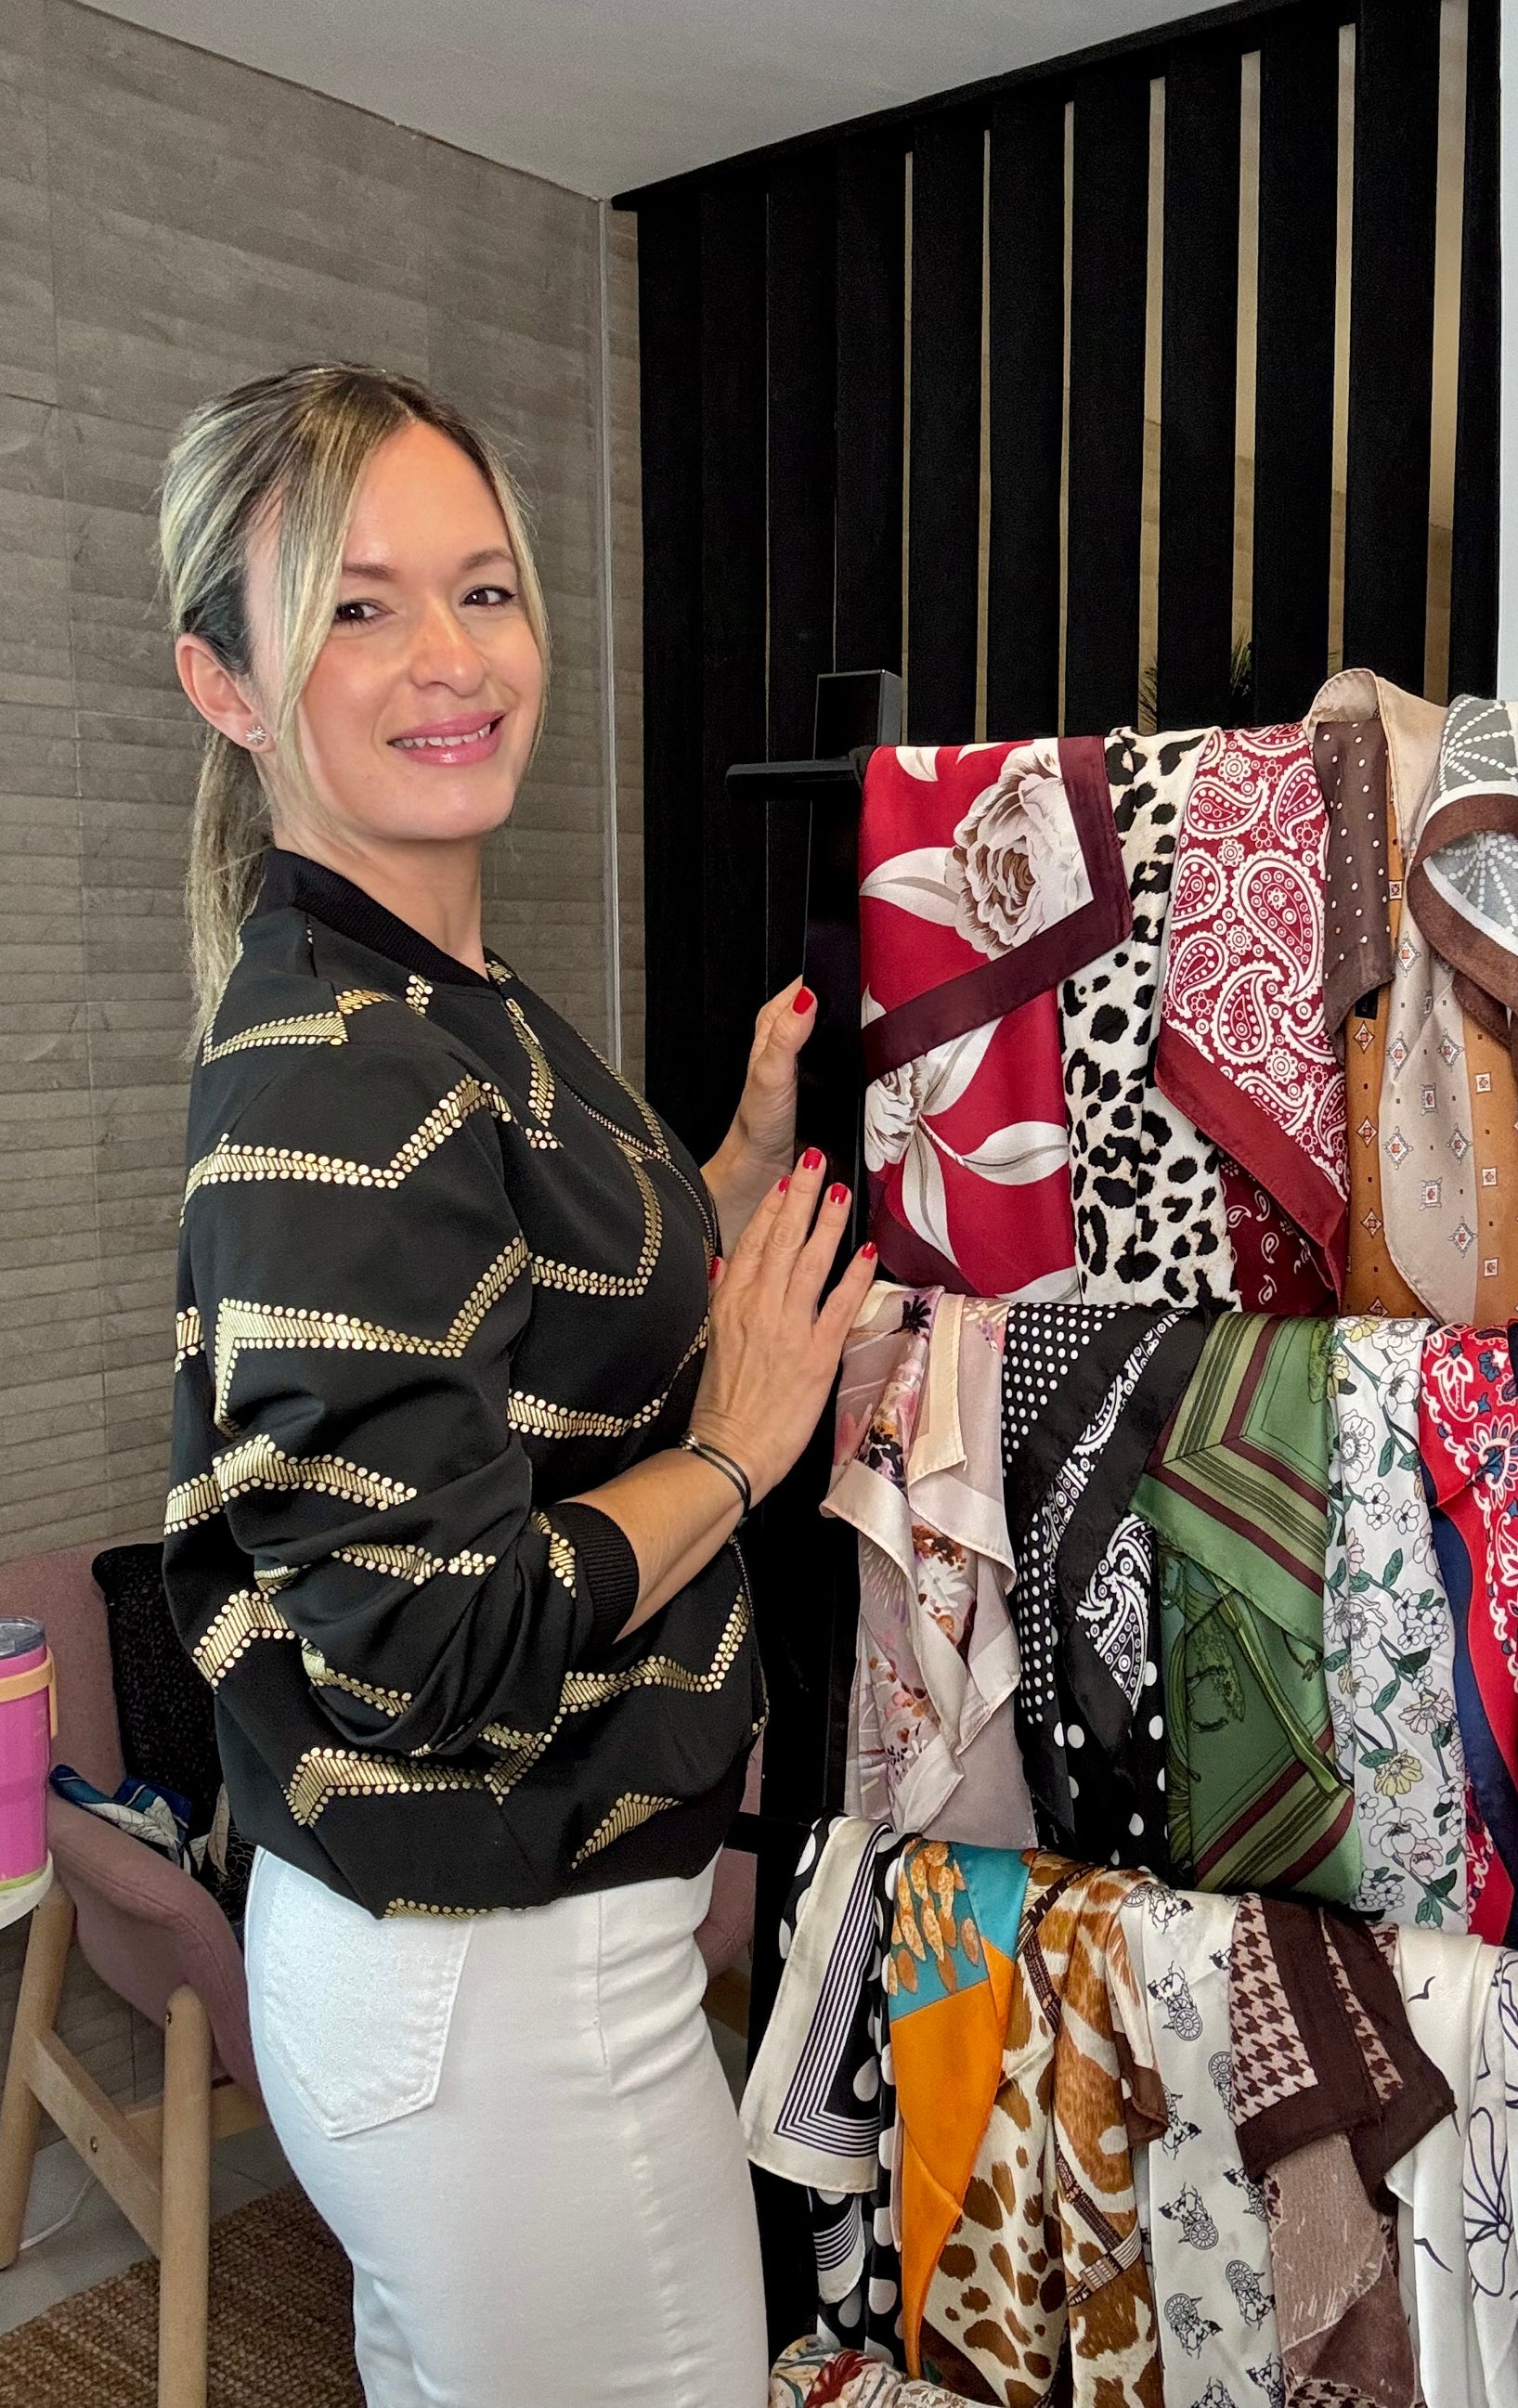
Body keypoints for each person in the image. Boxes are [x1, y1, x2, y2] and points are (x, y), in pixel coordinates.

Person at [158, 362, 875, 2407]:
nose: (451, 659)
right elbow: (428, 1645)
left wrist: (718, 1178)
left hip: (481, 1961)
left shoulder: (441, 996)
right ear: (225, 683)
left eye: (482, 590)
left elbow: (503, 1334)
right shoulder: (340, 1067)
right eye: (356, 608)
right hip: (492, 1983)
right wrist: (737, 1448)